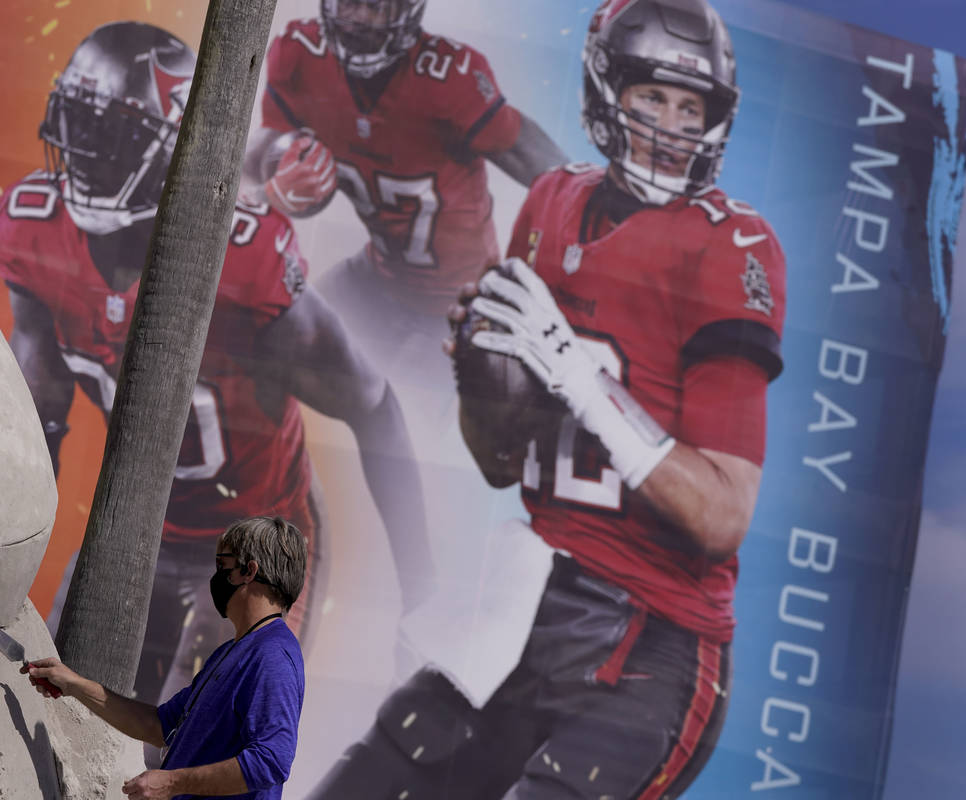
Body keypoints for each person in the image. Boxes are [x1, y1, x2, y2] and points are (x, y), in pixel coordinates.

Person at [303, 0, 786, 797]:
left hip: (653, 641)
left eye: (689, 105)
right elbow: (499, 464)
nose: (670, 123)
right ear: (607, 91)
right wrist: (483, 369)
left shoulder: (732, 247)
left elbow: (722, 516)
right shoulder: (553, 201)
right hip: (528, 601)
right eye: (652, 97)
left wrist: (572, 374)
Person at [0, 20, 432, 726]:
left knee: (195, 752)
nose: (83, 152)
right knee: (48, 713)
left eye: (112, 135)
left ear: (166, 150)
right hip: (137, 523)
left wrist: (423, 594)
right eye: (77, 124)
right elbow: (37, 414)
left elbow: (374, 407)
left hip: (252, 547)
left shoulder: (244, 267)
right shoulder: (33, 230)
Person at [242, 0, 566, 378]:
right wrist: (274, 190)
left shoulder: (449, 80)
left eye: (377, 6)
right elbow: (251, 169)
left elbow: (556, 176)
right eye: (349, 2)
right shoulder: (299, 54)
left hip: (458, 301)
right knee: (266, 349)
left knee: (406, 412)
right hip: (378, 274)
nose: (359, 20)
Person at [26, 515, 307, 800]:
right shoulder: (231, 652)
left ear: (249, 571)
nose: (215, 576)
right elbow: (159, 725)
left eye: (222, 565)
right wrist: (74, 685)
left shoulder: (273, 655)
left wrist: (171, 783)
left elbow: (271, 762)